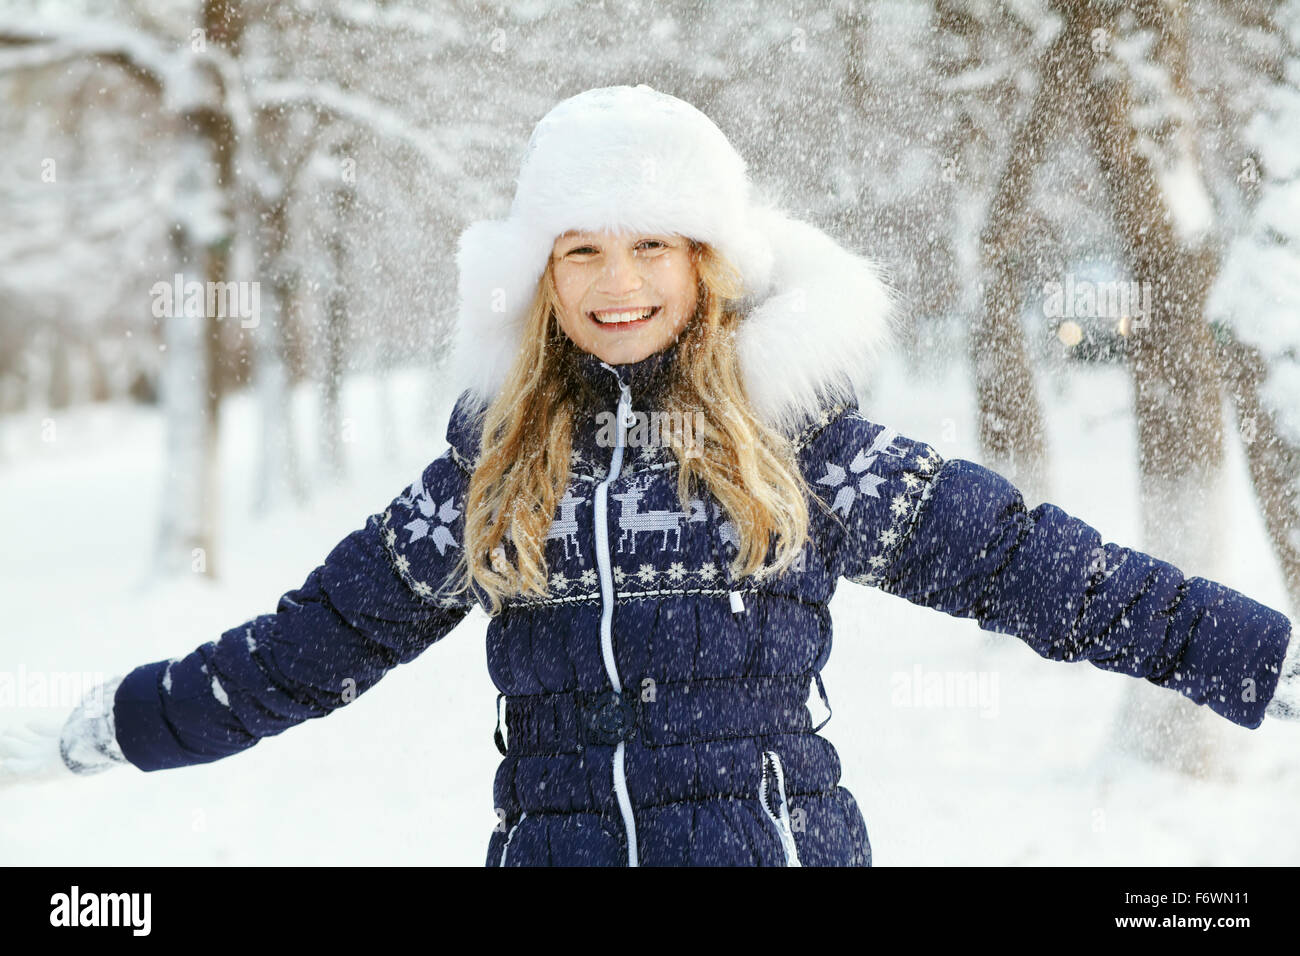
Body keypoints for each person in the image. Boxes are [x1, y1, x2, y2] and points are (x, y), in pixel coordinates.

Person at [3, 85, 1298, 867]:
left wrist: (1258, 661)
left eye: (651, 247)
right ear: (539, 274)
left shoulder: (802, 446)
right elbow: (299, 654)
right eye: (581, 251)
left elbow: (1037, 567)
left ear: (706, 264)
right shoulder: (495, 478)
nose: (617, 285)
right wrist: (87, 728)